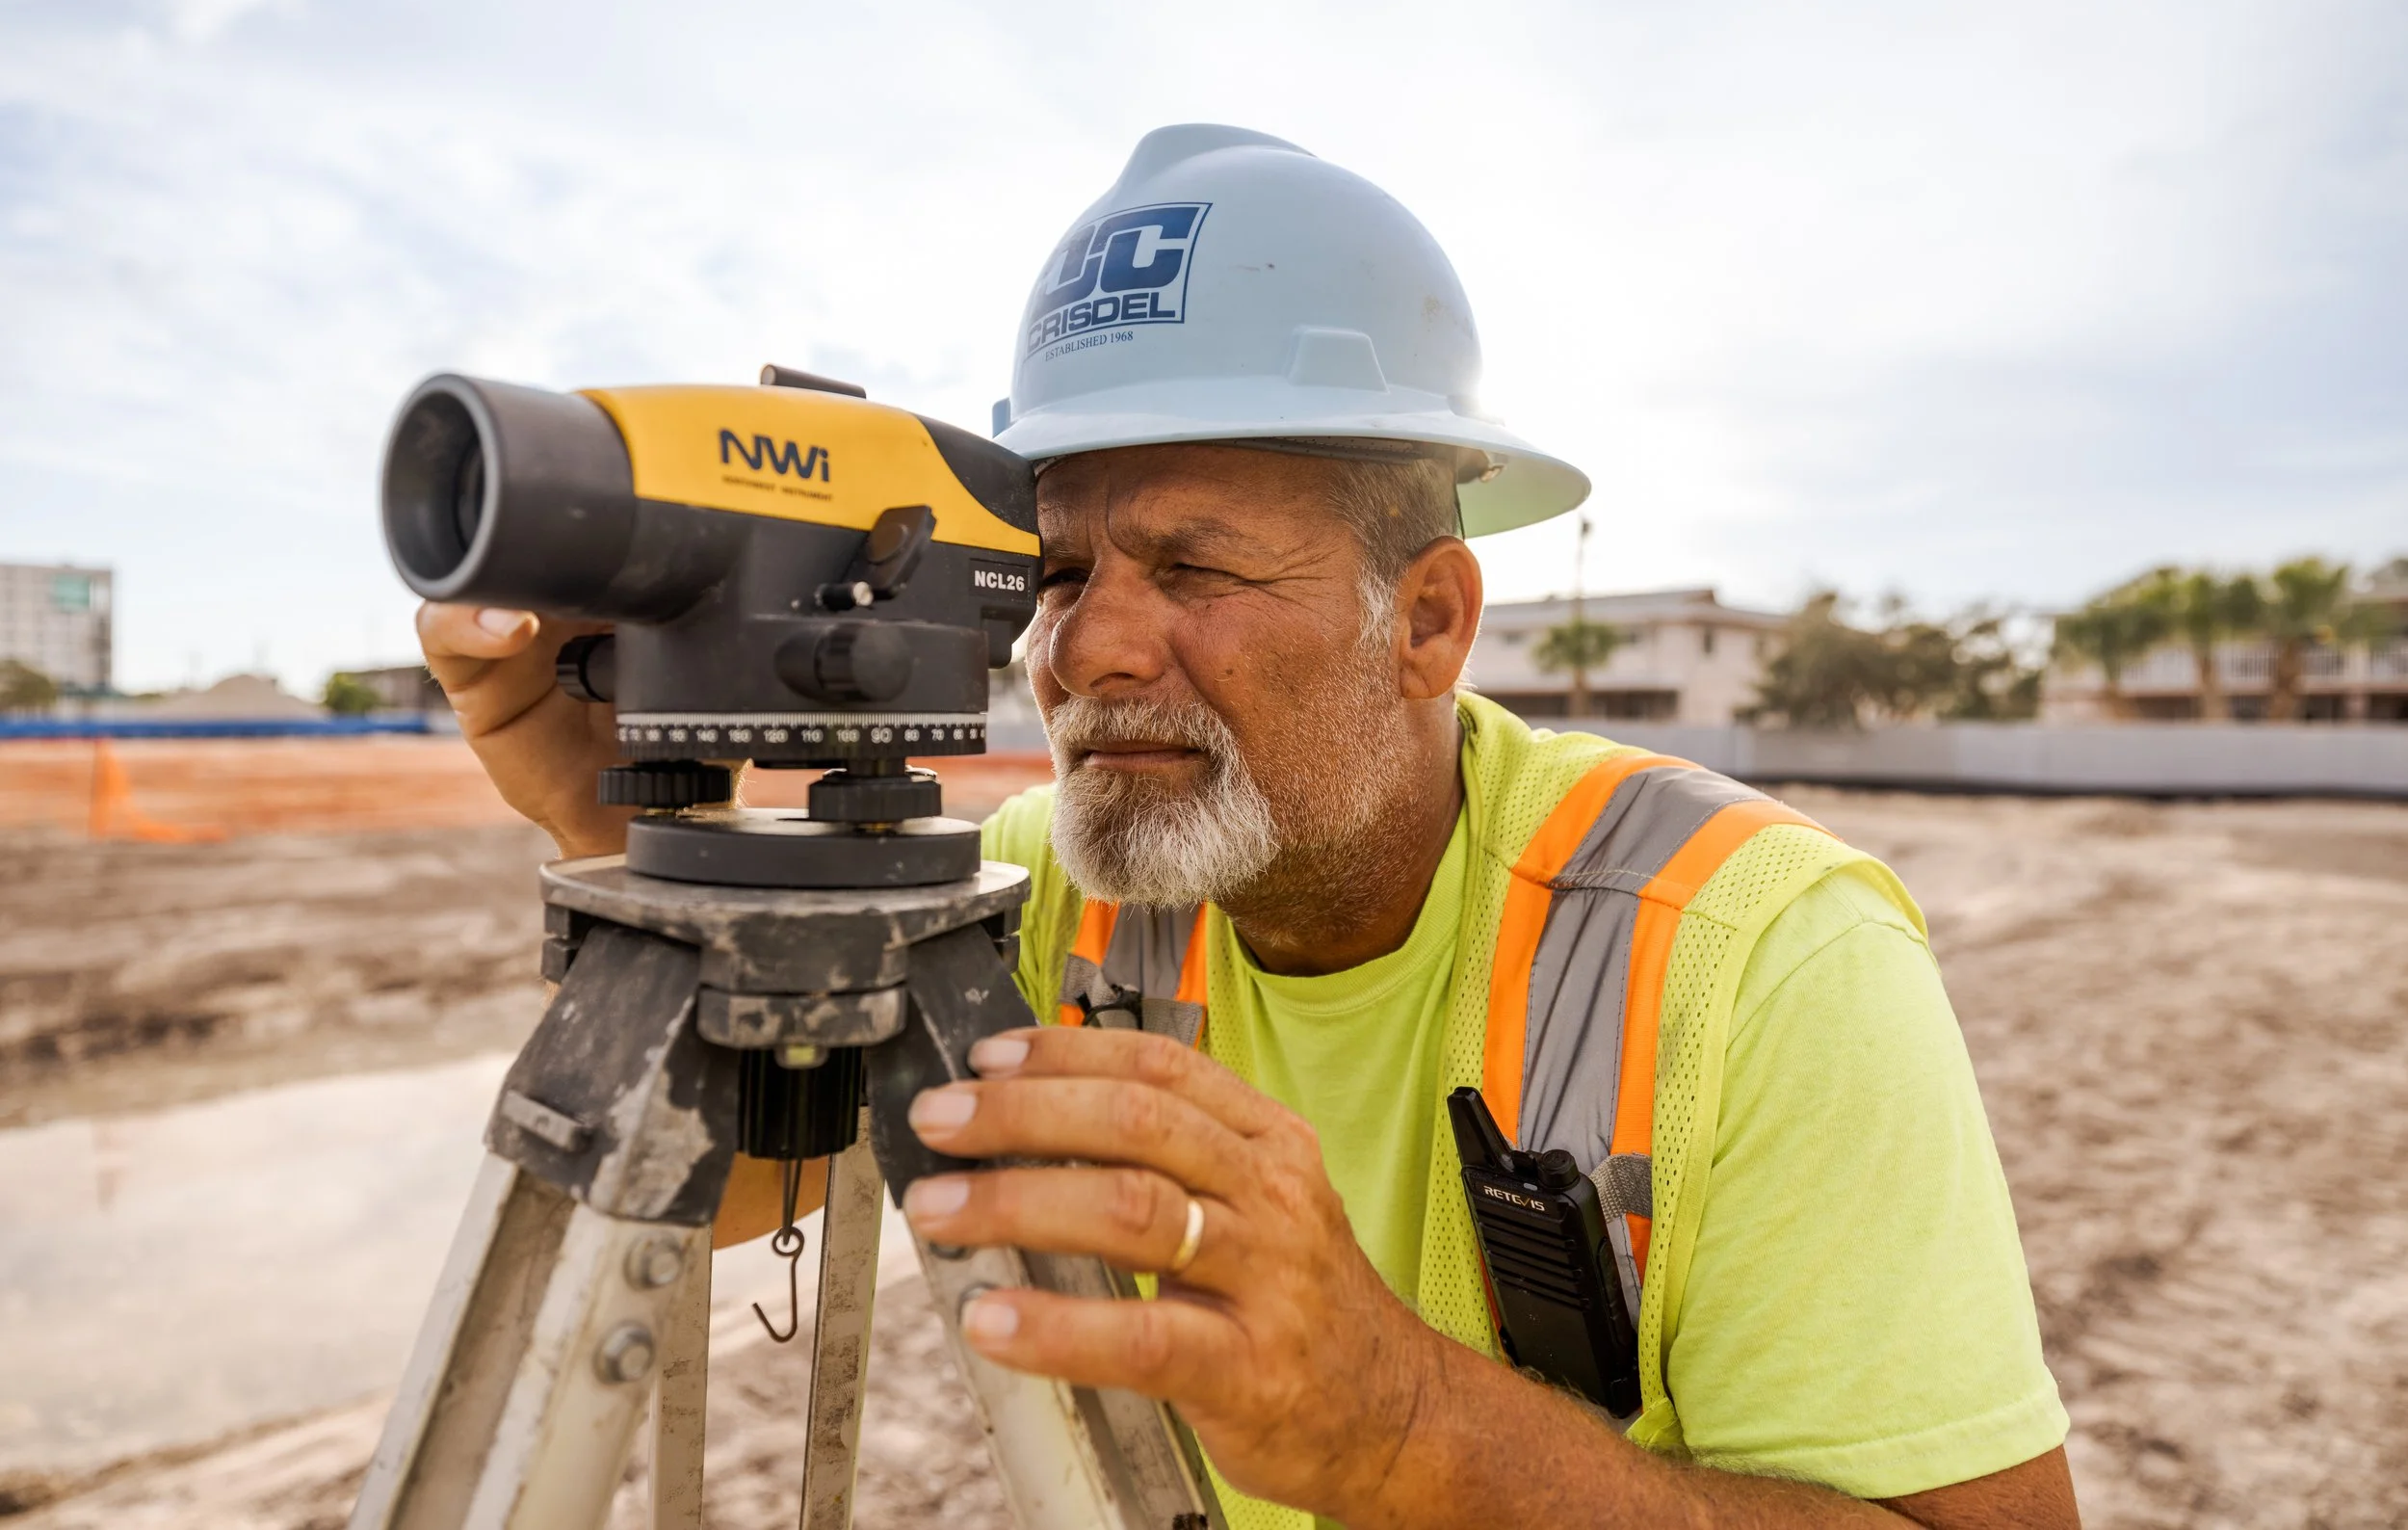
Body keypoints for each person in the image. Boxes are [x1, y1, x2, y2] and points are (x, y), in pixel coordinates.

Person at [418, 125, 2080, 1529]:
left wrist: (1407, 1426)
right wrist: (608, 815)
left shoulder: (1757, 953)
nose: (1090, 649)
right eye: (1057, 573)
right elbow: (712, 1196)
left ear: (1427, 622)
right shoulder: (1041, 901)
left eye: (1195, 568)